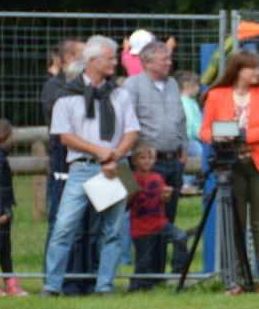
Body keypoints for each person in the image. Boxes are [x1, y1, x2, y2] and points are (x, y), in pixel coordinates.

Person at [43, 35, 139, 295]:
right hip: (81, 170)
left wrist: (114, 157)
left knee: (114, 231)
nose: (115, 63)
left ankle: (104, 286)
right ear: (93, 61)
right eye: (110, 58)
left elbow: (131, 132)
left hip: (114, 169)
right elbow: (65, 136)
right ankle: (52, 285)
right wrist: (102, 153)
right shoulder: (67, 96)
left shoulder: (120, 95)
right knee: (64, 228)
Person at [200, 52, 259, 295]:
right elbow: (205, 129)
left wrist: (243, 136)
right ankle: (235, 279)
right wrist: (216, 138)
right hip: (231, 166)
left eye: (257, 68)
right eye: (251, 68)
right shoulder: (216, 95)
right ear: (238, 70)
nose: (256, 73)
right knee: (235, 222)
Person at [122, 40, 187, 229]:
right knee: (149, 215)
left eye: (169, 58)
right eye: (164, 59)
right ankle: (148, 257)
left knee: (170, 212)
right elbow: (129, 120)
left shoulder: (173, 84)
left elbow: (181, 118)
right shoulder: (132, 85)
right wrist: (138, 154)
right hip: (148, 162)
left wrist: (183, 147)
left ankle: (162, 256)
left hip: (174, 160)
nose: (169, 63)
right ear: (148, 62)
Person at [127, 143, 188, 289]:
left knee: (181, 236)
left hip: (159, 222)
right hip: (140, 227)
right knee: (144, 260)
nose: (147, 161)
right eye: (142, 158)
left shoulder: (158, 178)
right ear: (134, 161)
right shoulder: (131, 178)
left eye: (150, 158)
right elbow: (127, 204)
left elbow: (163, 201)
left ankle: (178, 268)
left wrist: (166, 196)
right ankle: (137, 286)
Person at [41, 37, 85, 228]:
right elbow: (64, 128)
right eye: (85, 55)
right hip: (63, 163)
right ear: (69, 57)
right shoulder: (54, 87)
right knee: (60, 221)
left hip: (87, 162)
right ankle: (55, 258)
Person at [0, 119, 15, 295]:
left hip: (1, 211)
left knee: (4, 249)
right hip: (0, 214)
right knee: (0, 248)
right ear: (8, 137)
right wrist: (3, 212)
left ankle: (10, 282)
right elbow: (0, 189)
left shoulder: (0, 157)